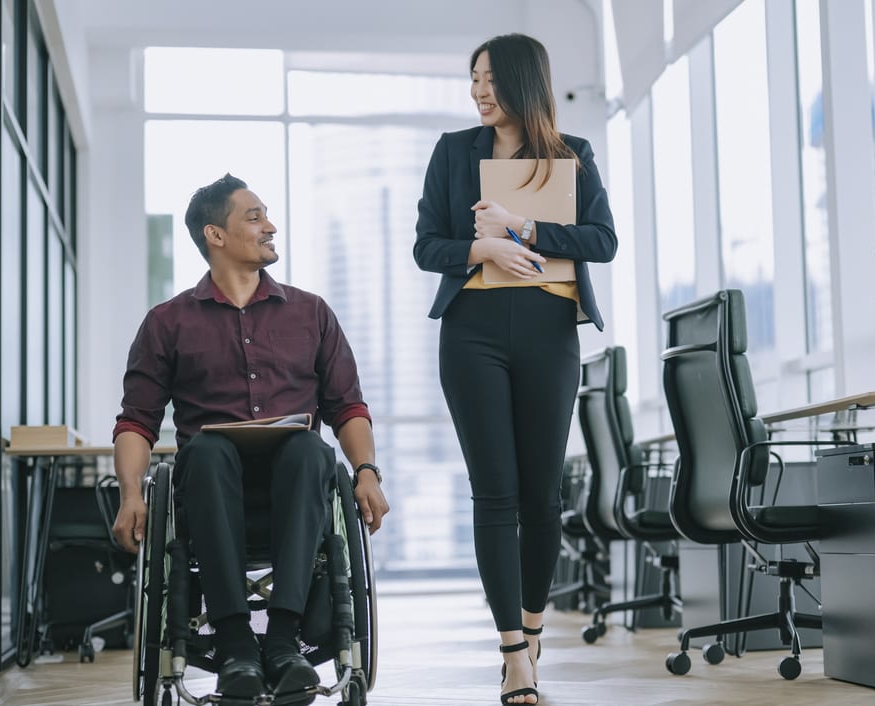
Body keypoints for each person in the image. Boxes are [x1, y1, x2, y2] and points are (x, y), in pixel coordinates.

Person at [110, 174, 389, 700]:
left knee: (309, 446)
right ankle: (236, 643)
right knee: (209, 450)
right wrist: (130, 494)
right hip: (209, 490)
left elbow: (347, 405)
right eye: (255, 217)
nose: (271, 227)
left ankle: (283, 641)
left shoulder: (311, 313)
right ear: (215, 235)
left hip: (297, 487)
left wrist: (367, 472)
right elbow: (136, 421)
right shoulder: (167, 322)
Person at [413, 33, 617, 705]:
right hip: (471, 332)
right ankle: (511, 652)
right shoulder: (452, 153)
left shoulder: (571, 156)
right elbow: (426, 247)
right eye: (472, 79)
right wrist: (483, 247)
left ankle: (532, 629)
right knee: (494, 492)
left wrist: (522, 228)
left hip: (548, 331)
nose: (478, 91)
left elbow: (601, 241)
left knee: (541, 496)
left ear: (524, 83)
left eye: (490, 80)